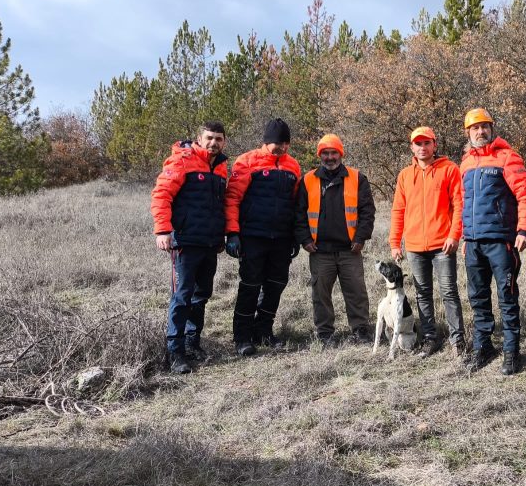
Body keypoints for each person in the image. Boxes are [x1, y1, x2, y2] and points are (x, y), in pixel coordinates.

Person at [459, 108, 526, 374]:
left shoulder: (507, 157)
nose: (481, 132)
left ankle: (511, 351)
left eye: (485, 127)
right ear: (468, 133)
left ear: (492, 129)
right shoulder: (466, 162)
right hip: (473, 243)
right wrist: (464, 238)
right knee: (478, 297)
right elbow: (464, 203)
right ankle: (483, 347)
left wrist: (524, 230)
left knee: (507, 296)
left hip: (502, 242)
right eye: (475, 128)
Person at [150, 121, 229, 374]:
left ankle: (194, 343)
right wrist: (163, 230)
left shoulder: (221, 168)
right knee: (182, 296)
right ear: (199, 138)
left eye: (218, 138)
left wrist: (222, 236)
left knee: (202, 294)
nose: (213, 143)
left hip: (210, 243)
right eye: (209, 138)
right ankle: (176, 351)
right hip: (185, 241)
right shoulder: (183, 160)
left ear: (224, 141)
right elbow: (162, 195)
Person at [224, 118, 301, 357]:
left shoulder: (293, 166)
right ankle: (242, 336)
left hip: (281, 238)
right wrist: (233, 233)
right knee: (250, 285)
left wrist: (295, 237)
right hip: (252, 236)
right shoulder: (246, 161)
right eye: (276, 143)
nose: (281, 148)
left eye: (285, 143)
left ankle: (264, 330)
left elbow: (296, 203)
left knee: (276, 285)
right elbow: (233, 199)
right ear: (265, 141)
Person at [389, 126, 465, 357]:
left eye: (426, 143)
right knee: (422, 293)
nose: (422, 148)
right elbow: (398, 210)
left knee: (449, 291)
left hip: (442, 244)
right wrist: (395, 242)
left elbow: (458, 205)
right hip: (414, 246)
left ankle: (457, 340)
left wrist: (454, 235)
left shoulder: (449, 169)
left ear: (435, 145)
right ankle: (430, 337)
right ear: (412, 147)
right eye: (418, 144)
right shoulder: (405, 175)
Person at [295, 133, 376, 346]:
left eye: (333, 153)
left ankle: (360, 330)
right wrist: (304, 239)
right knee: (320, 295)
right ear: (320, 155)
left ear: (341, 154)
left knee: (357, 292)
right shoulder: (308, 179)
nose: (330, 157)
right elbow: (299, 214)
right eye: (325, 153)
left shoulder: (358, 178)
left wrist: (360, 238)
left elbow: (367, 212)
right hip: (319, 250)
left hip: (350, 249)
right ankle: (324, 334)